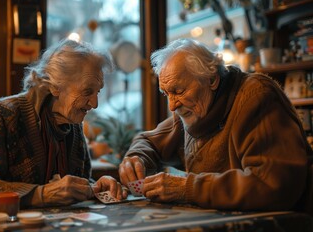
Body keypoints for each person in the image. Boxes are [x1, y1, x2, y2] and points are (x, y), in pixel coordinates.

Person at [119, 38, 313, 212]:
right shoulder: (191, 109)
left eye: (178, 91)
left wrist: (187, 188)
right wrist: (136, 158)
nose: (172, 105)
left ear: (211, 79)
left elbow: (273, 184)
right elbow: (148, 141)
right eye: (166, 93)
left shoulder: (256, 96)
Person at [0, 38, 127, 210]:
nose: (95, 103)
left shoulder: (73, 124)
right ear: (55, 87)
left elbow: (69, 187)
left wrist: (94, 187)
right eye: (87, 91)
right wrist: (40, 194)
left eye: (98, 91)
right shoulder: (3, 114)